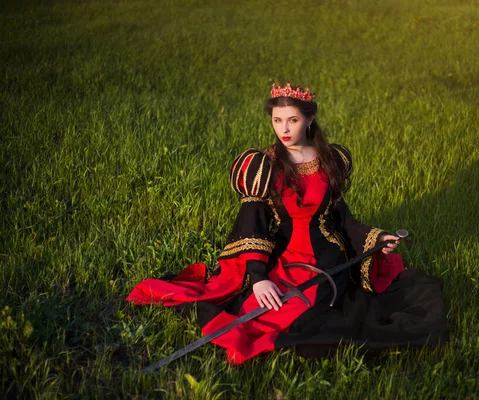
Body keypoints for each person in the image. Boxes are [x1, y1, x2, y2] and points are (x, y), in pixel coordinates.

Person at [126, 82, 448, 365]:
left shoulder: (329, 161)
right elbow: (252, 224)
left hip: (326, 258)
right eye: (277, 120)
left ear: (308, 119)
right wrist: (259, 278)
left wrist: (376, 238)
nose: (284, 129)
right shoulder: (264, 165)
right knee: (263, 309)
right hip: (282, 257)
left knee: (317, 307)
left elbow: (340, 218)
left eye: (292, 119)